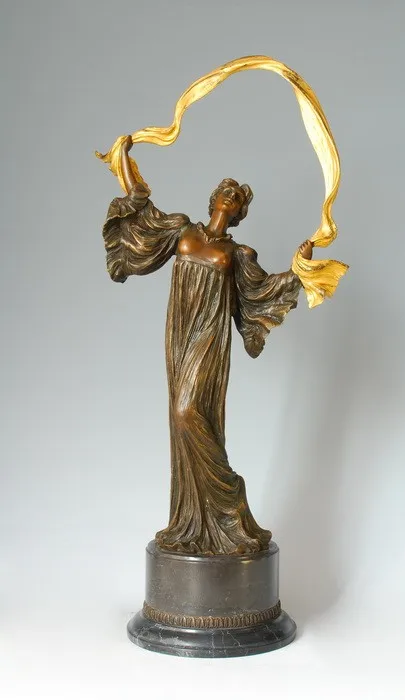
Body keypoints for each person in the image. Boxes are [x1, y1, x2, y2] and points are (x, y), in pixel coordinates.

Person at [102, 136, 313, 555]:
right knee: (180, 416)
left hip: (209, 339)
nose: (229, 196)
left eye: (237, 197)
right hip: (179, 332)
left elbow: (263, 293)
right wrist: (123, 157)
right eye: (225, 190)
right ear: (214, 198)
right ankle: (193, 520)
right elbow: (140, 214)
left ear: (238, 213)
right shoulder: (181, 229)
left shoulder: (238, 253)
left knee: (188, 411)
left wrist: (301, 265)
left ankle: (228, 495)